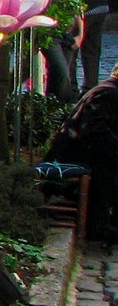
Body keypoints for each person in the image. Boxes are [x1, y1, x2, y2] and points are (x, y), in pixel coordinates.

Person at [45, 62, 118, 241]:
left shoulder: (110, 90)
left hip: (87, 151)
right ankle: (98, 226)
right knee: (108, 172)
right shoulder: (107, 93)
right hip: (75, 155)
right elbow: (94, 133)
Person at [81, 0, 110, 93]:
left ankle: (71, 90)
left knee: (71, 45)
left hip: (88, 4)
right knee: (92, 49)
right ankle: (90, 88)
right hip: (101, 2)